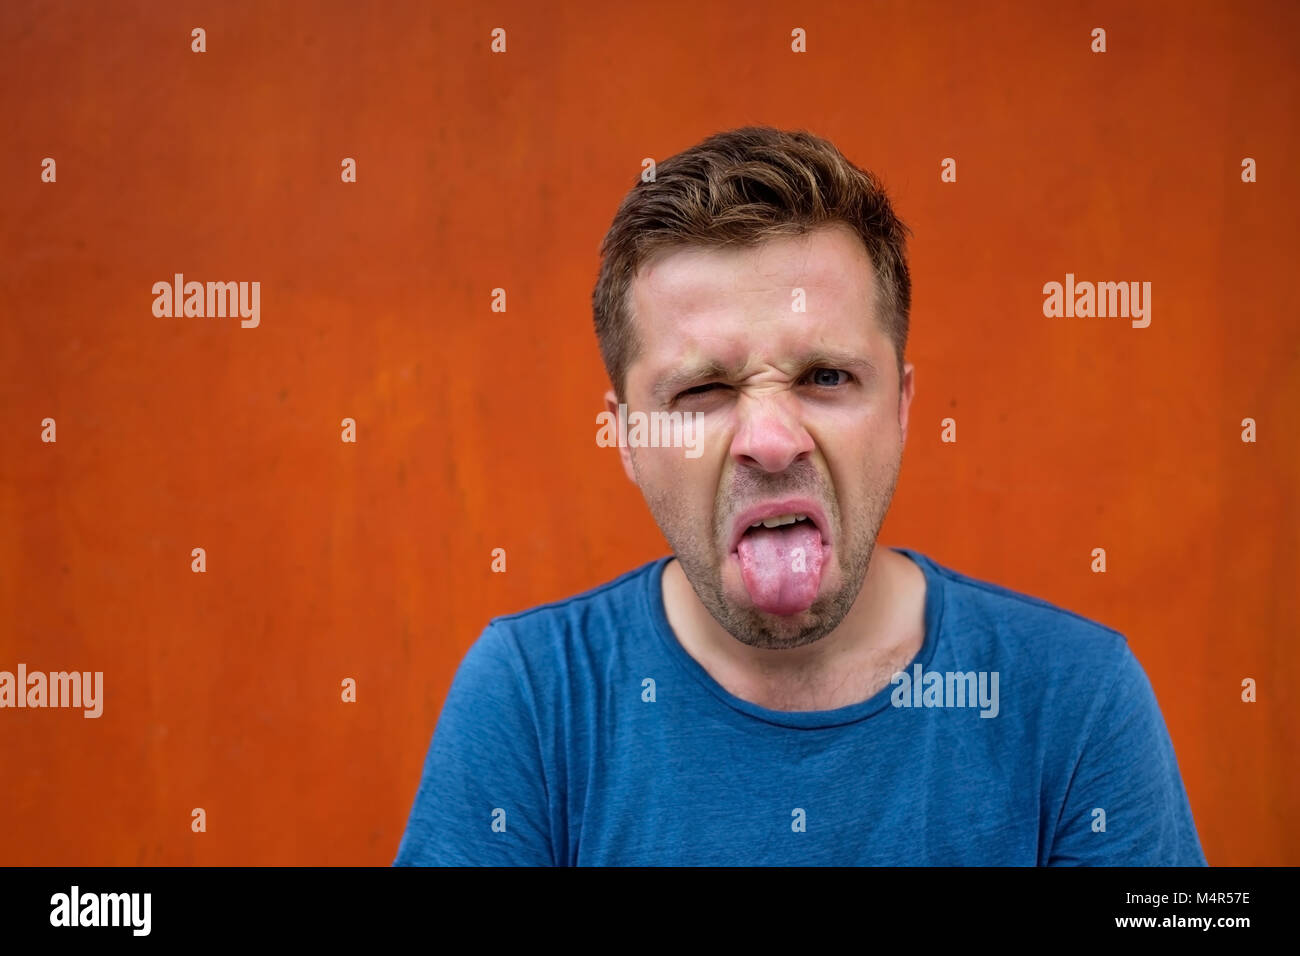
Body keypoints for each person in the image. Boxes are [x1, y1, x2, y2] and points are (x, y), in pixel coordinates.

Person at [394, 126, 1206, 866]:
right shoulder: (532, 700)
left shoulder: (1077, 698)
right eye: (705, 389)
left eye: (826, 377)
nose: (772, 439)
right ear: (629, 438)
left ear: (901, 408)